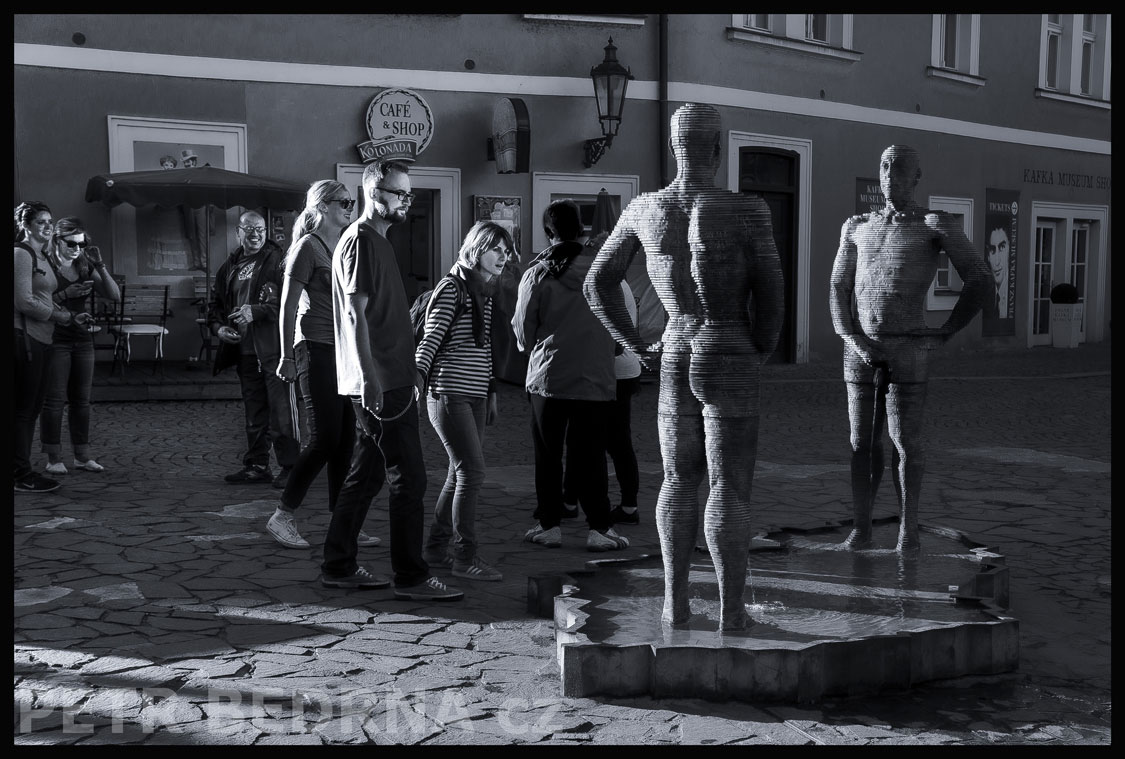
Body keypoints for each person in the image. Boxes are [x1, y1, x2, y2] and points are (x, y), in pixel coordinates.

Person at [584, 103, 785, 631]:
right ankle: (732, 612)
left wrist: (633, 342)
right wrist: (759, 349)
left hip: (675, 345)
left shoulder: (645, 208)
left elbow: (597, 283)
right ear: (717, 149)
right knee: (729, 486)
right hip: (728, 345)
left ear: (675, 147)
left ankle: (675, 605)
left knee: (677, 480)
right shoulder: (746, 209)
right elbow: (772, 293)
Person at [829, 144, 991, 552]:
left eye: (900, 168)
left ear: (917, 177)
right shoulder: (857, 226)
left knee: (905, 442)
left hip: (907, 348)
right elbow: (838, 287)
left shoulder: (933, 223)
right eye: (885, 166)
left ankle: (908, 529)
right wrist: (851, 337)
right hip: (860, 349)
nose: (890, 175)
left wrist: (945, 331)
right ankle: (861, 528)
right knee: (861, 444)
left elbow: (979, 277)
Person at [328, 158, 462, 601]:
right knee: (409, 479)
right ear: (373, 192)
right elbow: (355, 314)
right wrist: (371, 378)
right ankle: (411, 577)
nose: (406, 200)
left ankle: (338, 564)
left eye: (408, 193)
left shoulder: (377, 241)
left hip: (390, 377)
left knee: (366, 477)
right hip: (380, 381)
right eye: (398, 193)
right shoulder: (362, 240)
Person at [266, 180, 380, 550]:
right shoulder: (307, 247)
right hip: (313, 348)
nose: (350, 207)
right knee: (325, 439)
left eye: (351, 202)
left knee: (346, 441)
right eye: (343, 202)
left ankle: (342, 522)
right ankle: (282, 514)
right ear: (322, 206)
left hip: (342, 351)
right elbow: (287, 306)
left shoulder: (344, 245)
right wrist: (286, 355)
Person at [514, 199, 629, 553]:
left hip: (548, 378)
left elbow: (522, 331)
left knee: (548, 456)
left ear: (548, 232)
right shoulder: (603, 272)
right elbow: (620, 325)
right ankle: (599, 528)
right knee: (591, 455)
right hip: (594, 376)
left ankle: (549, 524)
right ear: (581, 229)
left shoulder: (538, 273)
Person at [416, 221, 518, 582]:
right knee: (472, 472)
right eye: (496, 250)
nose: (503, 257)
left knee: (458, 472)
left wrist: (490, 392)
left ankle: (435, 548)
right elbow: (430, 340)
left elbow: (484, 347)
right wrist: (416, 380)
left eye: (506, 251)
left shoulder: (484, 291)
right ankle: (464, 556)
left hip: (474, 395)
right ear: (476, 249)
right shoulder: (452, 288)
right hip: (449, 393)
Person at [208, 210, 299, 488]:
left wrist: (256, 311)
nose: (255, 234)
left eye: (260, 229)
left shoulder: (278, 261)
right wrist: (219, 328)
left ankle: (291, 468)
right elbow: (215, 306)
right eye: (249, 229)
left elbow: (291, 305)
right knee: (254, 413)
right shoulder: (230, 266)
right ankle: (257, 466)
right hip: (245, 352)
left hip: (274, 351)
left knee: (282, 413)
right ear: (238, 232)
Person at [13, 202, 92, 493]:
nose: (47, 226)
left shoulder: (42, 255)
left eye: (49, 221)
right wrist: (61, 317)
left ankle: (21, 470)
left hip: (44, 338)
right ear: (26, 225)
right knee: (23, 410)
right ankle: (20, 474)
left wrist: (68, 314)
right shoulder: (21, 254)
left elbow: (44, 297)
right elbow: (23, 301)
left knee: (32, 409)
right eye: (41, 222)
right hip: (25, 338)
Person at [40, 217, 121, 475]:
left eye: (82, 243)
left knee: (82, 401)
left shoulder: (84, 264)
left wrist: (100, 264)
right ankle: (53, 457)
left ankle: (82, 456)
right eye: (72, 243)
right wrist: (66, 294)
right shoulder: (45, 265)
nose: (77, 248)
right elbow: (34, 302)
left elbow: (114, 295)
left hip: (82, 338)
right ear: (57, 240)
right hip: (54, 339)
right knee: (54, 401)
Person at [984, 225, 1011, 319]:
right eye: (992, 250)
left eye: (1002, 247)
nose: (997, 261)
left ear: (1010, 251)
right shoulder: (988, 294)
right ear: (988, 256)